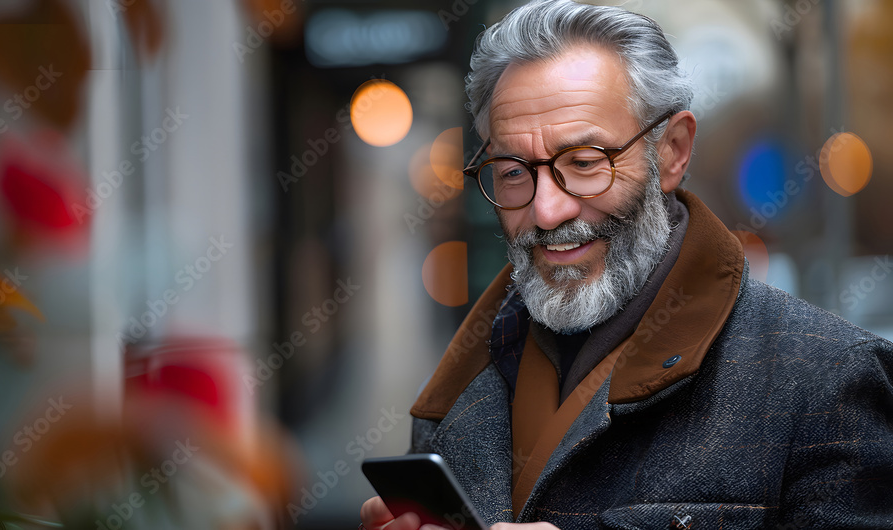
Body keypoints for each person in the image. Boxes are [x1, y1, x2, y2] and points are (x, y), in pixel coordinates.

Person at [360, 1, 893, 529]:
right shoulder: (454, 390)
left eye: (585, 163)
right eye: (513, 172)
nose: (547, 211)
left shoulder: (829, 382)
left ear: (674, 152)